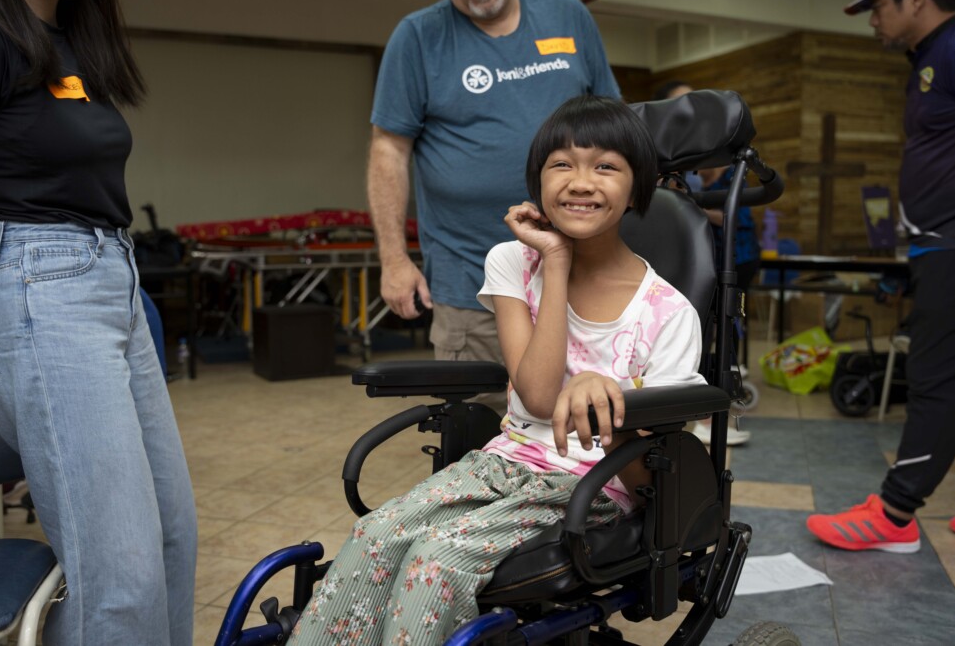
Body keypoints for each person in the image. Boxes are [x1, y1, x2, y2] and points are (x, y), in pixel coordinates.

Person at [290, 95, 706, 645]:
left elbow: (651, 474)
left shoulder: (669, 313)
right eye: (562, 164)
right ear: (537, 183)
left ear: (637, 189)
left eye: (605, 166)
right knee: (376, 533)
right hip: (502, 463)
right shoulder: (514, 261)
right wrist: (554, 262)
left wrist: (606, 405)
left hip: (592, 484)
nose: (581, 182)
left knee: (439, 559)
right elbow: (536, 396)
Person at [0, 0, 197, 643]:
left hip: (113, 279)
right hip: (49, 288)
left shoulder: (67, 41)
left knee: (172, 542)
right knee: (121, 582)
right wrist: (18, 247)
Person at [367, 0, 621, 411]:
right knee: (481, 436)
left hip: (584, 278)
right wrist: (393, 258)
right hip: (472, 286)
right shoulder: (419, 37)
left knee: (586, 434)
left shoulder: (566, 14)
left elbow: (614, 126)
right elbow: (389, 150)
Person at [807, 0, 955, 550]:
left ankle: (895, 514)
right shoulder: (929, 63)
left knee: (935, 377)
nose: (873, 21)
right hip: (945, 246)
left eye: (878, 6)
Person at [652, 82, 757, 446]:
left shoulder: (722, 171)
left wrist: (692, 206)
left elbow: (733, 219)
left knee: (713, 328)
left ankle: (714, 410)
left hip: (728, 260)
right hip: (691, 258)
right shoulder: (673, 169)